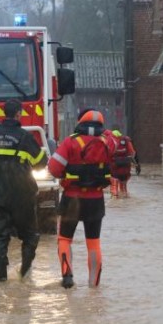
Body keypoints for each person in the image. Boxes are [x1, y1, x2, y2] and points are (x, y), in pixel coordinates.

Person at [0, 99, 48, 282]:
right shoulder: (25, 137)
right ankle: (23, 274)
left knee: (0, 237)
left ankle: (1, 281)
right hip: (22, 195)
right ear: (18, 114)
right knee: (30, 235)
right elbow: (42, 162)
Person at [48, 109, 113, 288]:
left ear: (80, 122)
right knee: (93, 243)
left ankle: (67, 277)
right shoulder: (108, 142)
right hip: (96, 200)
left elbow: (53, 168)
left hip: (72, 199)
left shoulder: (70, 142)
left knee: (64, 239)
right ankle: (94, 286)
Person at [109, 129, 138, 198]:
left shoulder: (110, 140)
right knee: (124, 180)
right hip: (126, 165)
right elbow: (132, 152)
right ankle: (124, 194)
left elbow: (108, 153)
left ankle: (115, 195)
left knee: (115, 180)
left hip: (114, 165)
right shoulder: (125, 140)